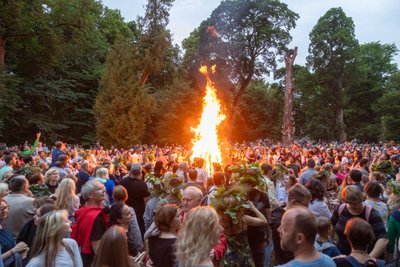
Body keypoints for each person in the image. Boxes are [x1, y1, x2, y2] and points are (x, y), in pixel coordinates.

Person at [331, 185, 388, 257]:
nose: (357, 206)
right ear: (345, 201)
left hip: (365, 256)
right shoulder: (340, 209)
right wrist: (330, 242)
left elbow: (383, 239)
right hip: (342, 255)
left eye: (359, 202)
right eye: (353, 204)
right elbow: (332, 225)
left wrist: (369, 259)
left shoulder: (371, 214)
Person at [71, 180, 109, 267]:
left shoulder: (84, 211)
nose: (104, 191)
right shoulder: (95, 217)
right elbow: (97, 249)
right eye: (100, 189)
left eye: (104, 188)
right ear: (90, 195)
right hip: (93, 261)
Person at [121, 164, 150, 238]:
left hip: (126, 209)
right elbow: (146, 201)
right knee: (139, 231)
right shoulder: (142, 184)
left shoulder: (123, 181)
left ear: (130, 171)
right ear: (140, 172)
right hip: (139, 212)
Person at [0, 197, 30, 266]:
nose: (4, 211)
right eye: (0, 209)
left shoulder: (3, 225)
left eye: (6, 207)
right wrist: (14, 251)